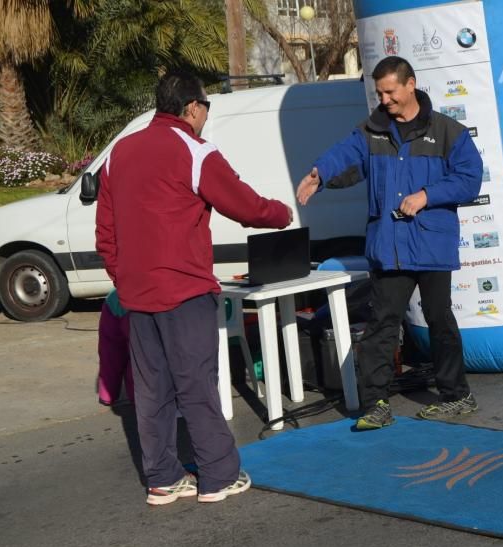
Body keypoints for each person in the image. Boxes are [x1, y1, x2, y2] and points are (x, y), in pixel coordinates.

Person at [96, 71, 292, 505]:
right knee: (196, 383)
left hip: (137, 292)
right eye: (207, 105)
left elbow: (105, 230)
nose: (207, 114)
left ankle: (162, 478)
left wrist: (122, 275)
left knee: (151, 389)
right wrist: (283, 213)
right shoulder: (194, 150)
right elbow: (243, 204)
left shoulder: (119, 152)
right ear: (192, 108)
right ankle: (219, 475)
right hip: (184, 288)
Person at [295, 56, 483, 431]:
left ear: (410, 85)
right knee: (382, 325)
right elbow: (344, 153)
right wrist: (321, 172)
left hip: (430, 246)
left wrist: (427, 195)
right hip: (389, 246)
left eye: (390, 91)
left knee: (440, 321)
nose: (384, 99)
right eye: (380, 92)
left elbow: (470, 179)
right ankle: (374, 405)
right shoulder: (371, 130)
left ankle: (457, 396)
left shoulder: (448, 132)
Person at [97, 288, 133, 406]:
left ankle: (108, 392)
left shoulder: (114, 296)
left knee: (111, 352)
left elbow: (110, 354)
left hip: (123, 298)